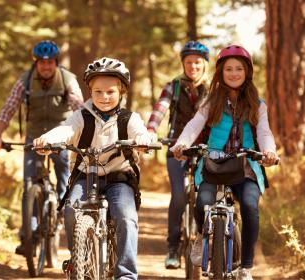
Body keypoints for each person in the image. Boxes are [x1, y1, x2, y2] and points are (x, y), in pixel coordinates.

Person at [33, 57, 155, 280]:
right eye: (97, 92)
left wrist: (144, 141)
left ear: (121, 92)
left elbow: (141, 133)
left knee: (126, 217)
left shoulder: (129, 118)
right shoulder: (82, 117)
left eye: (110, 92)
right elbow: (65, 130)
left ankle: (126, 274)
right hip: (85, 176)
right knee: (71, 209)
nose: (104, 97)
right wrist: (46, 140)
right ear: (89, 91)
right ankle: (79, 261)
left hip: (119, 178)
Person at [170, 45, 279, 280]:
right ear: (220, 72)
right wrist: (181, 144)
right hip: (213, 164)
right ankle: (201, 237)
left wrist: (269, 151)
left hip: (246, 165)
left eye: (239, 68)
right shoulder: (211, 101)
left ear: (247, 72)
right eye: (228, 68)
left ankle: (246, 267)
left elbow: (264, 132)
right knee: (203, 202)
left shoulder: (258, 105)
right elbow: (194, 125)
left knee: (250, 206)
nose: (233, 73)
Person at [0, 40, 83, 255]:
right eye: (42, 63)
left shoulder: (68, 79)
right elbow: (8, 108)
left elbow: (79, 107)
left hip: (61, 134)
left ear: (56, 62)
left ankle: (61, 215)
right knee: (29, 183)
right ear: (36, 63)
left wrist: (84, 135)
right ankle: (28, 238)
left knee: (64, 175)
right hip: (34, 136)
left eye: (50, 62)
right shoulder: (25, 80)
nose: (46, 66)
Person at [146, 41, 210, 269]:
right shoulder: (173, 86)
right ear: (183, 64)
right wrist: (152, 129)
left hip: (205, 148)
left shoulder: (213, 88)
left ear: (205, 64)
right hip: (175, 147)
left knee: (206, 196)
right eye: (189, 62)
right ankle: (173, 247)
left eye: (197, 62)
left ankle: (207, 240)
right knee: (179, 196)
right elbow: (160, 109)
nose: (193, 66)